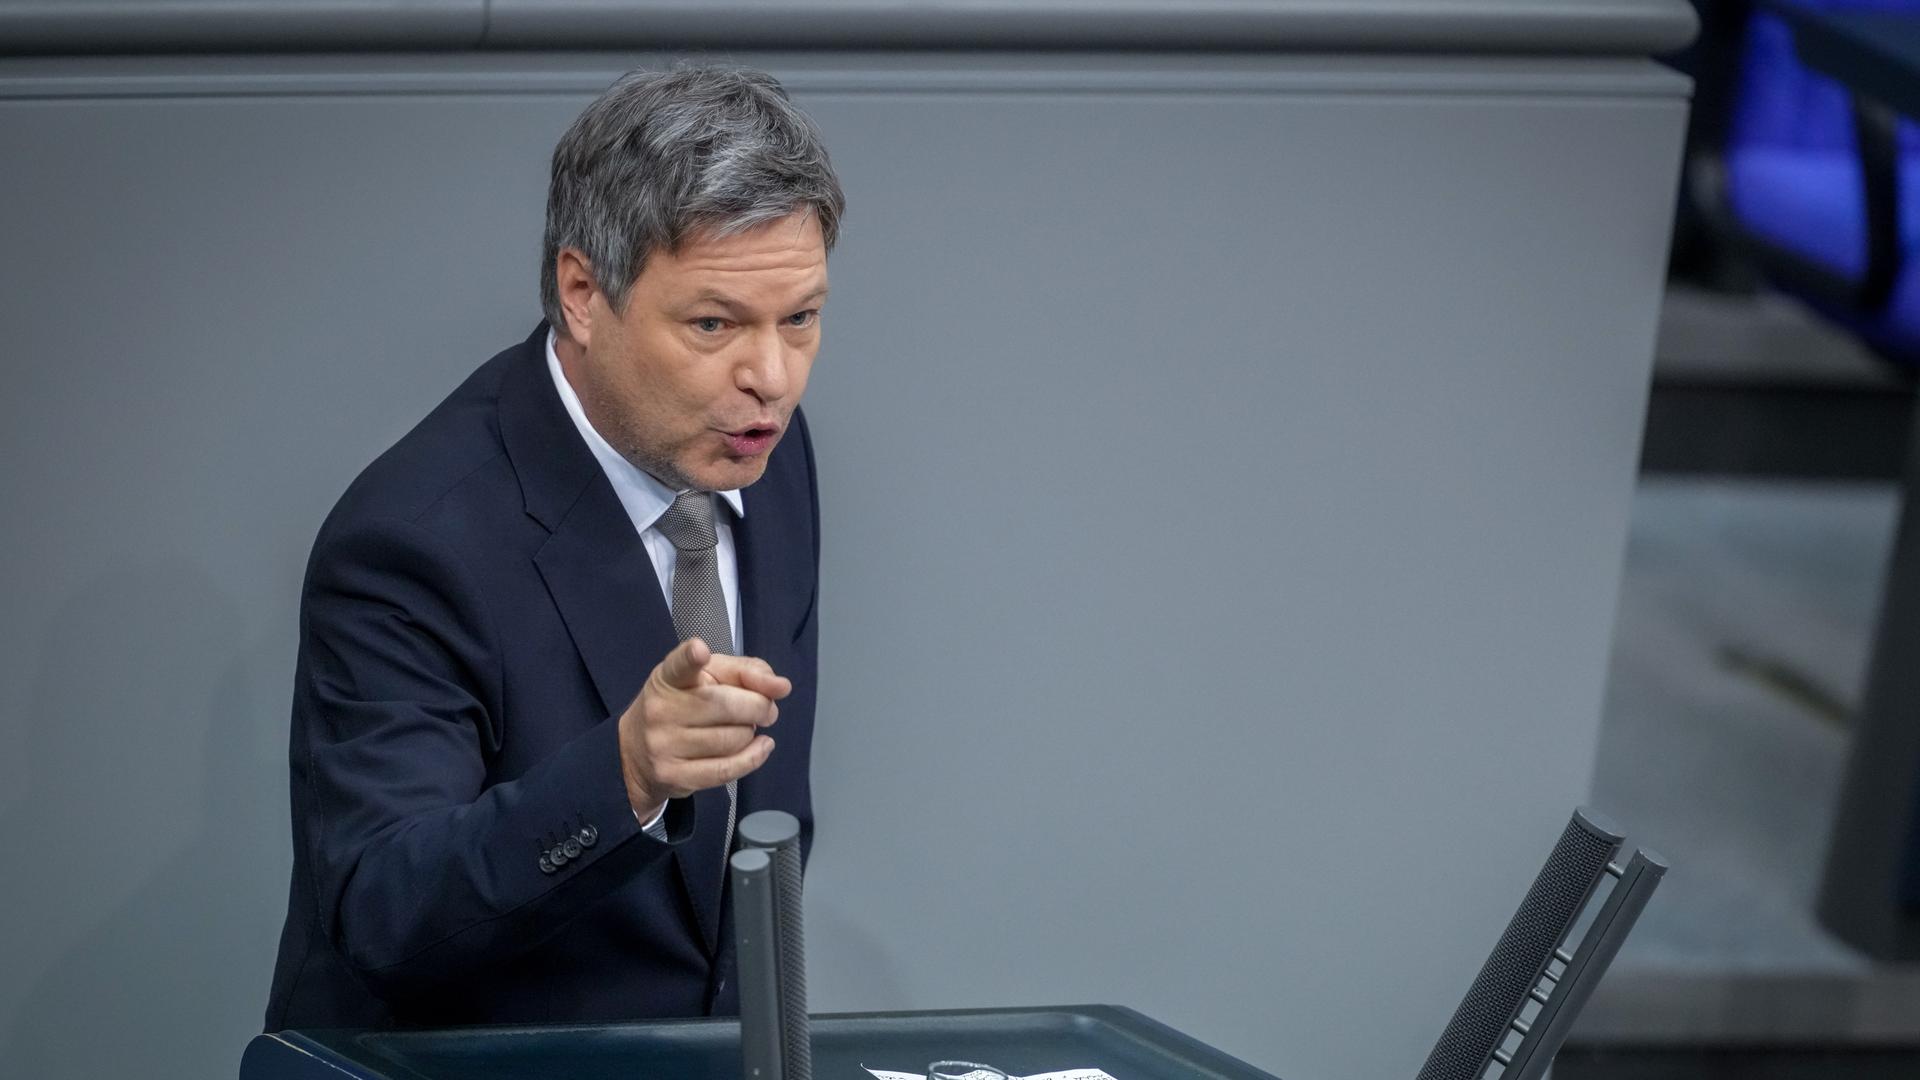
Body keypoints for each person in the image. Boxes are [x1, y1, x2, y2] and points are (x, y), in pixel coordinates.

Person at [263, 64, 843, 1030]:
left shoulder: (760, 450)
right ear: (583, 291)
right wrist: (623, 773)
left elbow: (749, 846)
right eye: (714, 323)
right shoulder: (410, 539)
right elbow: (381, 910)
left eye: (802, 319)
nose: (772, 378)